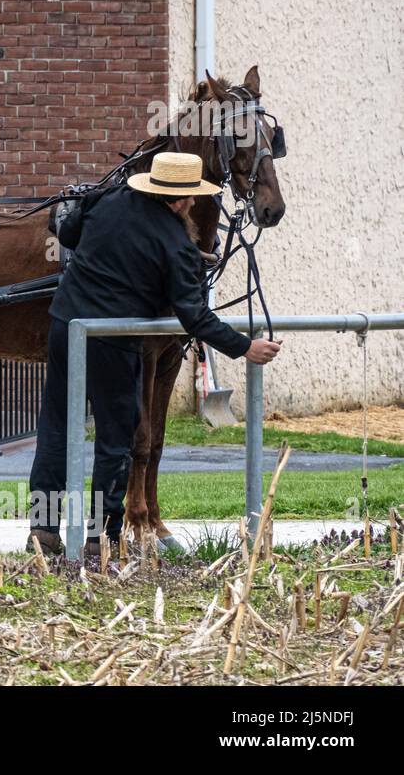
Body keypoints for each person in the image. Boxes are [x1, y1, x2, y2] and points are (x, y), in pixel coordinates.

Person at [27, 152, 282, 556]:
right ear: (182, 200)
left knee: (56, 428)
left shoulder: (105, 201)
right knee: (115, 439)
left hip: (65, 326)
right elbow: (195, 316)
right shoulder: (175, 242)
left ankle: (43, 531)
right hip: (112, 342)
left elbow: (69, 232)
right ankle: (100, 537)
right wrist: (244, 347)